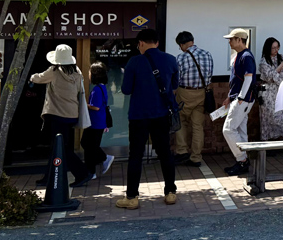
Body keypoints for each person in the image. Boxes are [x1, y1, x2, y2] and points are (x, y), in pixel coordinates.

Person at [116, 29, 179, 209]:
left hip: (138, 115)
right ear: (157, 42)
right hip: (161, 114)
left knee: (135, 155)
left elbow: (126, 89)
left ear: (141, 43)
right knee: (165, 153)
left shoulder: (134, 61)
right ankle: (170, 193)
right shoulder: (171, 60)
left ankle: (132, 197)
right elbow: (174, 85)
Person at [30, 44, 92, 188]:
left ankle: (82, 173)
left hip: (56, 114)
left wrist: (31, 77)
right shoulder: (77, 72)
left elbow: (38, 78)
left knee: (60, 148)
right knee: (58, 146)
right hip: (71, 114)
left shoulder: (54, 71)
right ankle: (49, 177)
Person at [173, 30, 214, 168]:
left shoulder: (181, 58)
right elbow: (210, 76)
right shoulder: (207, 54)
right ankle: (196, 158)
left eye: (180, 45)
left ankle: (182, 151)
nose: (180, 48)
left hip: (185, 92)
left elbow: (176, 79)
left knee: (181, 121)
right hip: (202, 93)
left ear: (183, 44)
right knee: (197, 126)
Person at [220, 28, 256, 176]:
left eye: (232, 39)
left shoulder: (246, 56)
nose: (229, 42)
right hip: (241, 99)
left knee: (228, 129)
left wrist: (240, 97)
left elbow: (248, 78)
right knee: (241, 130)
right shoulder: (241, 55)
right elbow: (239, 79)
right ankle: (244, 160)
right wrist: (231, 96)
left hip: (242, 100)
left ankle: (242, 160)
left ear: (240, 40)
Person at [82, 62, 114, 177]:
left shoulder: (96, 89)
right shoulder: (102, 87)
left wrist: (85, 105)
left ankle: (102, 160)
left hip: (95, 122)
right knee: (89, 145)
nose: (89, 75)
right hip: (99, 121)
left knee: (88, 145)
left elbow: (96, 106)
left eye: (90, 72)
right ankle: (93, 169)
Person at [258, 37, 283, 141]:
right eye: (273, 48)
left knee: (280, 117)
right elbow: (269, 76)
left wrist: (280, 69)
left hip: (278, 91)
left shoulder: (280, 57)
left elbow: (281, 75)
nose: (276, 50)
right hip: (267, 93)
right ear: (268, 49)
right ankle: (266, 144)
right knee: (266, 118)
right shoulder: (263, 62)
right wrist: (280, 67)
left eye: (277, 47)